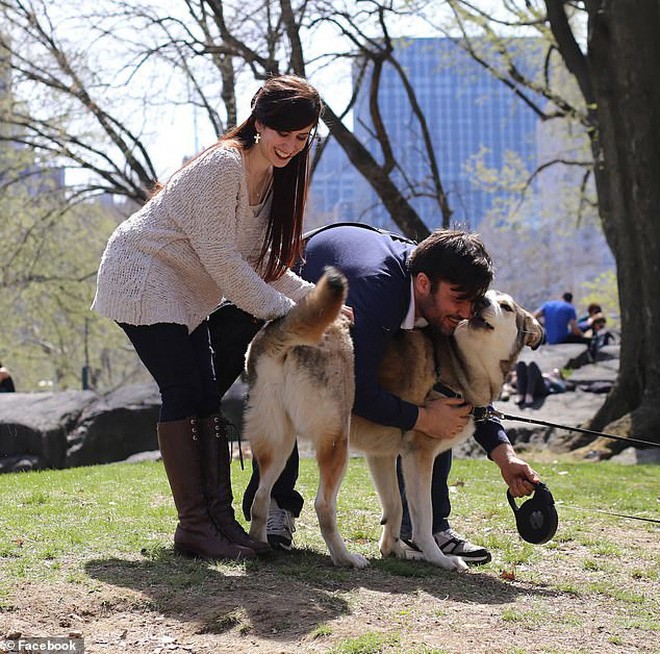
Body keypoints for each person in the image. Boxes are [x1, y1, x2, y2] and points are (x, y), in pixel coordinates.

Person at [92, 75, 323, 561]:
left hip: (183, 292)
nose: (291, 145)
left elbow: (264, 264)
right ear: (260, 123)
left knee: (204, 393)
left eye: (302, 137)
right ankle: (195, 527)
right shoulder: (224, 165)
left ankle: (219, 522)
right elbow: (222, 260)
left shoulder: (274, 178)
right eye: (284, 133)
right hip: (143, 274)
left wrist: (316, 303)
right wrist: (288, 314)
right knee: (185, 392)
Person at [233, 224, 540, 566]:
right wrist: (423, 418)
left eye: (473, 301)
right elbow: (357, 392)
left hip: (349, 296)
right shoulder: (377, 295)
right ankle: (277, 504)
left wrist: (503, 453)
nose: (469, 312)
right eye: (460, 299)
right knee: (307, 405)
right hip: (286, 293)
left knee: (438, 403)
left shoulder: (437, 276)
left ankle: (429, 528)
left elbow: (466, 388)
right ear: (424, 284)